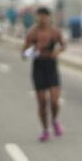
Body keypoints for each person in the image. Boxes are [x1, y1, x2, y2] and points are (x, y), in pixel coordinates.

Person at [22, 7, 66, 142]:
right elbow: (24, 53)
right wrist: (32, 49)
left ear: (48, 17)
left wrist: (57, 52)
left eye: (44, 16)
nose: (41, 19)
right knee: (42, 102)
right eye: (39, 16)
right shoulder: (32, 33)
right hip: (38, 67)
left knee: (54, 101)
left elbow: (63, 45)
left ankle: (54, 120)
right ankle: (45, 129)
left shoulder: (55, 32)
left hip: (51, 66)